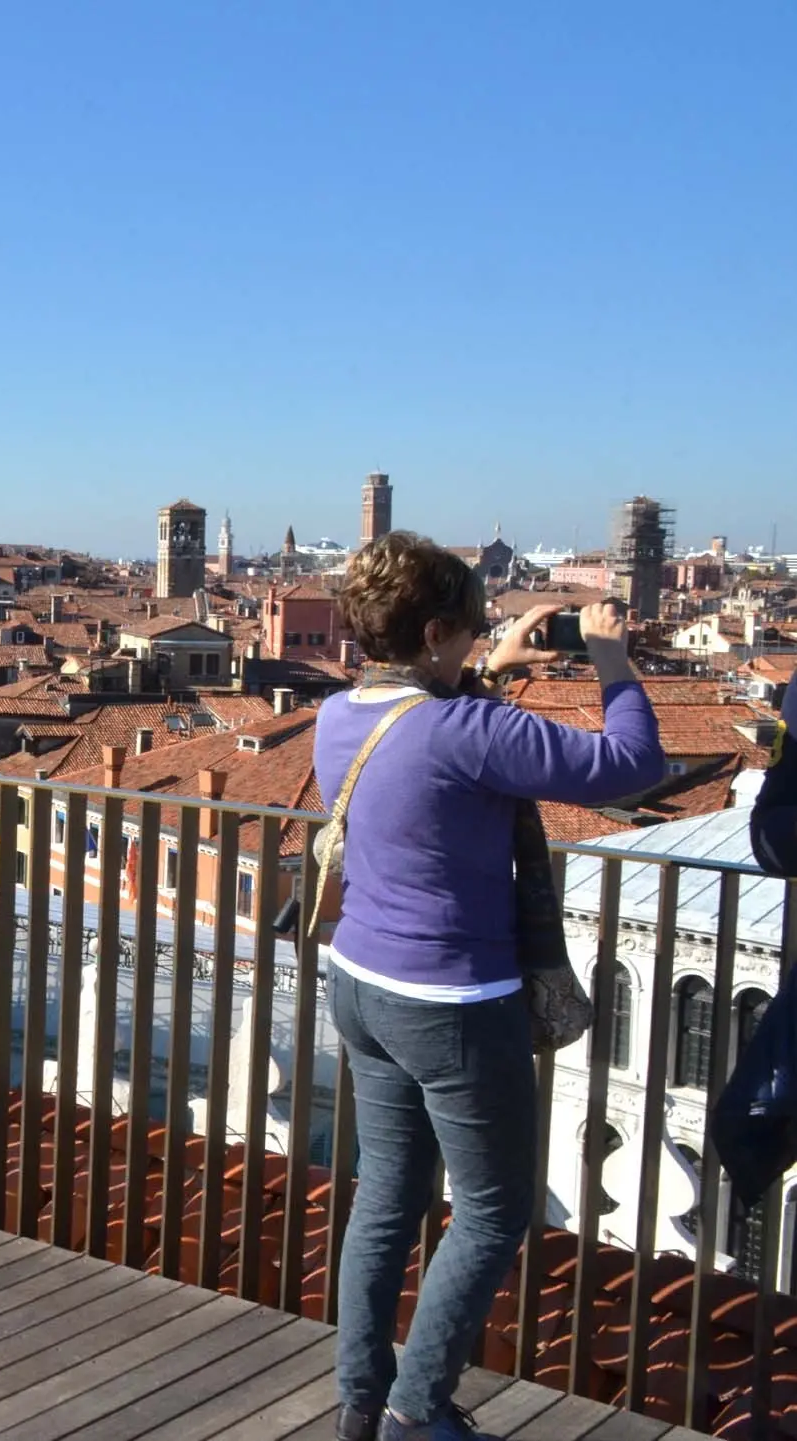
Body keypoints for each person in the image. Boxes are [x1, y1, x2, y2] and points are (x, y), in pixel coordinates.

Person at [316, 533, 664, 1441]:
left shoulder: (340, 713)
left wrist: (485, 668)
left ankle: (361, 1395)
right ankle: (414, 1410)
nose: (478, 643)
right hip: (451, 1003)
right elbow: (630, 766)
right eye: (469, 631)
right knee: (494, 1209)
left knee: (387, 1192)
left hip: (358, 979)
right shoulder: (469, 729)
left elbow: (425, 742)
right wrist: (613, 659)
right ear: (434, 631)